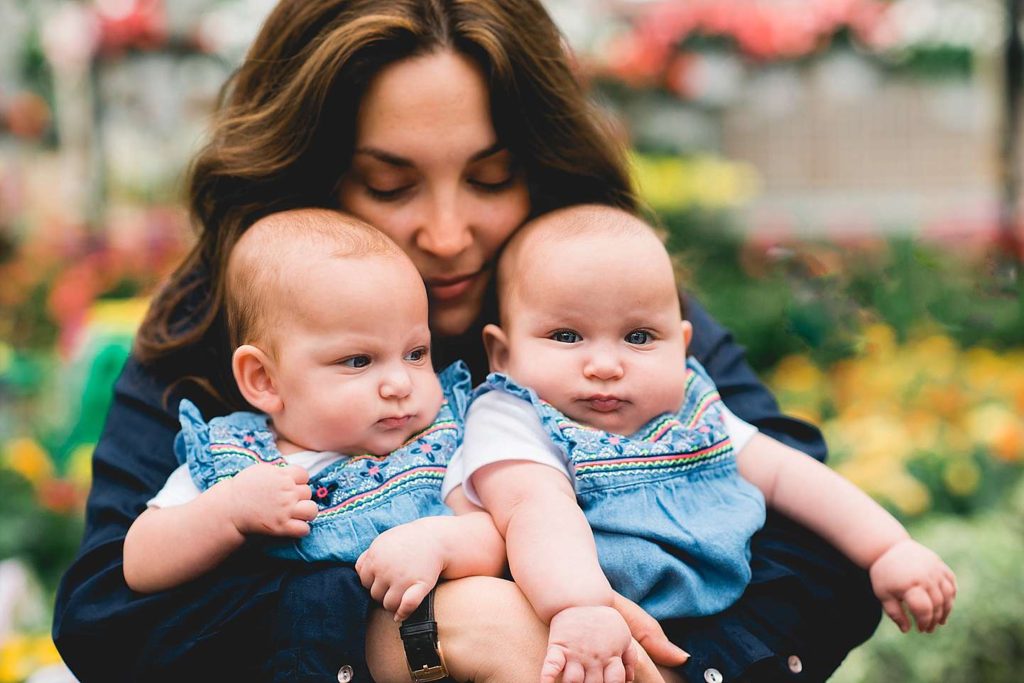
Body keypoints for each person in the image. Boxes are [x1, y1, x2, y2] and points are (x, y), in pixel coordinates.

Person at [52, 1, 884, 681]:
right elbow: (109, 620)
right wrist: (422, 632)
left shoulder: (589, 293)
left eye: (491, 178)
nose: (449, 235)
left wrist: (658, 670)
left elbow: (816, 547)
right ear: (308, 171)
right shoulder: (221, 317)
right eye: (389, 183)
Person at [449, 205, 957, 683]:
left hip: (715, 627)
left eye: (640, 337)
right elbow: (535, 509)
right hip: (581, 618)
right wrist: (578, 607)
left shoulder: (690, 407)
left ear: (684, 347)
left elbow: (784, 471)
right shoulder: (514, 414)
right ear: (502, 353)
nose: (605, 365)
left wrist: (888, 547)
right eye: (566, 336)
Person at [121, 209, 501, 613]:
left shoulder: (436, 447)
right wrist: (229, 511)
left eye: (415, 353)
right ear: (264, 379)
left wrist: (438, 542)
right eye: (358, 361)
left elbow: (494, 537)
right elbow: (140, 561)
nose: (401, 384)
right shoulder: (236, 463)